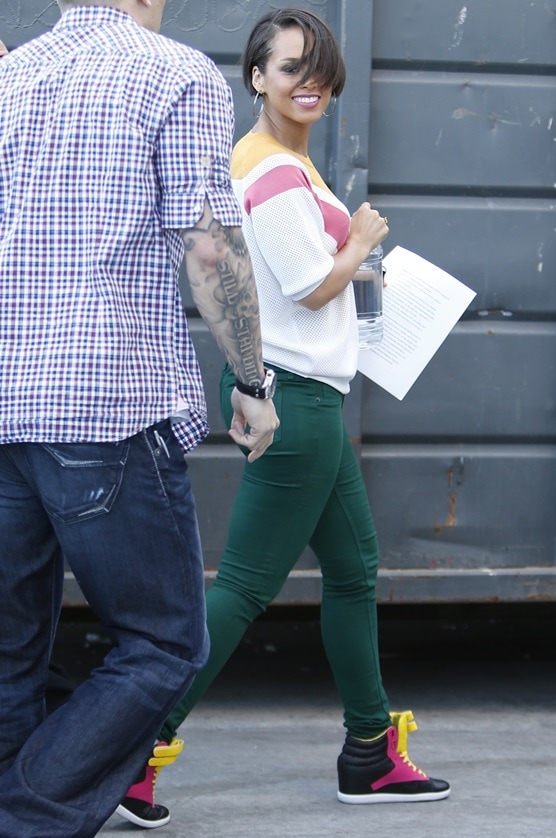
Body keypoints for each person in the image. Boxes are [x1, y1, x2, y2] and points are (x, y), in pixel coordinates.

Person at [118, 6, 450, 827]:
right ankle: (130, 754)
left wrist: (356, 267)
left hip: (315, 402)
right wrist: (360, 237)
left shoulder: (287, 168)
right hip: (296, 401)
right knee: (239, 591)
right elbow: (307, 284)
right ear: (257, 77)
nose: (310, 82)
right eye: (291, 67)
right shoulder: (267, 169)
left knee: (354, 570)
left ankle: (369, 752)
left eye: (320, 69)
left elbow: (298, 281)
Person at [0, 0, 279, 835]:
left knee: (10, 652)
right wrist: (252, 379)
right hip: (104, 399)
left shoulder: (11, 77)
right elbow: (208, 246)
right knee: (162, 644)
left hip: (7, 400)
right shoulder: (176, 72)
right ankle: (28, 816)